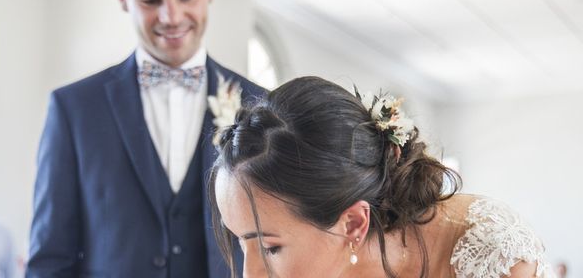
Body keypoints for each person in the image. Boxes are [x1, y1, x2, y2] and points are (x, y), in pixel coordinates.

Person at [27, 0, 266, 277]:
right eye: (150, 0)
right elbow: (50, 260)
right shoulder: (74, 110)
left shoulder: (261, 106)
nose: (171, 16)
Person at [210, 76, 555, 278]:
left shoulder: (499, 259)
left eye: (271, 248)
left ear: (354, 225)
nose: (249, 274)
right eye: (242, 241)